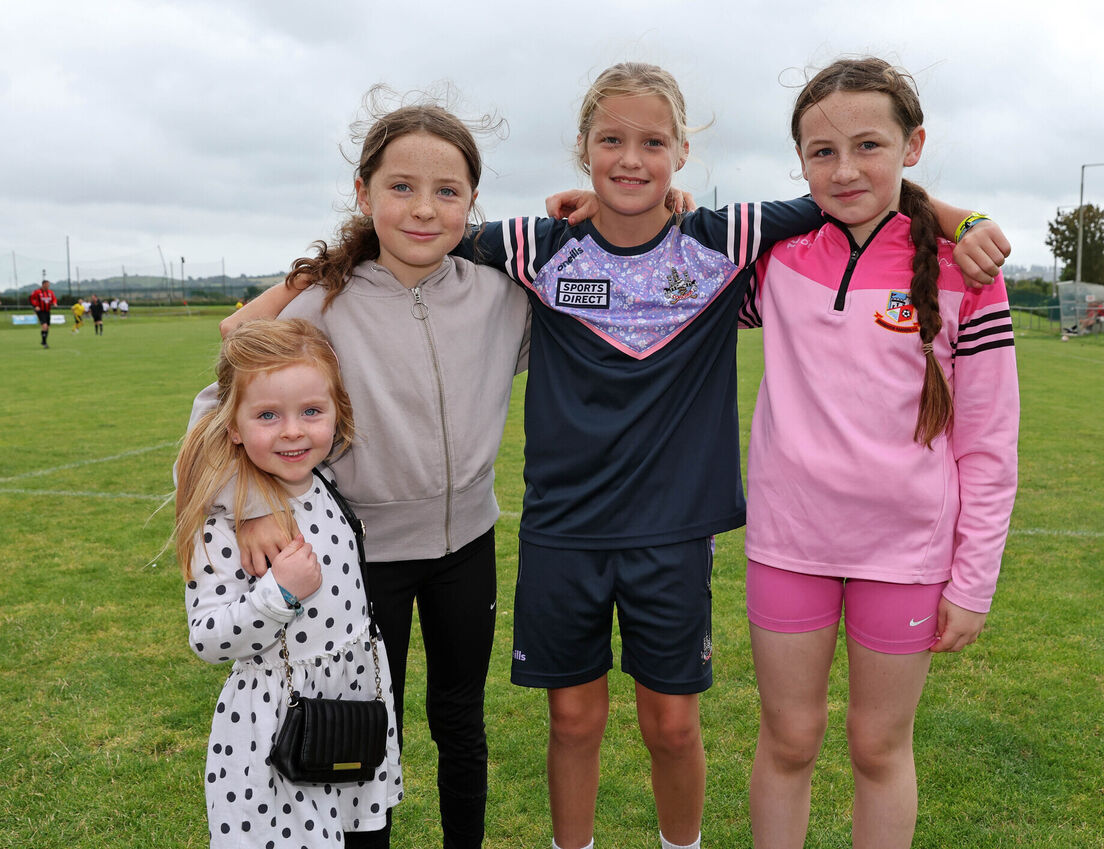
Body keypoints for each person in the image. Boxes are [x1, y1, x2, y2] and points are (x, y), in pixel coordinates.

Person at [463, 61, 1009, 849]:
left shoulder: (762, 248)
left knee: (856, 743)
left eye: (652, 141)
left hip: (842, 545)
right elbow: (433, 228)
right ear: (581, 147)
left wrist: (960, 219)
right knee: (754, 736)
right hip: (734, 539)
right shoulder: (570, 246)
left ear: (683, 150)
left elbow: (863, 199)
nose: (843, 166)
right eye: (610, 139)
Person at [204, 99, 531, 849]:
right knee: (363, 725)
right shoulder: (321, 303)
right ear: (363, 193)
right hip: (358, 560)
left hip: (466, 547)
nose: (424, 209)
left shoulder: (501, 294)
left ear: (472, 202)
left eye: (448, 191)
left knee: (460, 720)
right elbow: (217, 399)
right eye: (401, 187)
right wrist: (250, 499)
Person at [741, 57, 1019, 849]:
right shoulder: (775, 255)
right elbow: (663, 251)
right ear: (799, 162)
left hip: (906, 552)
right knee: (789, 739)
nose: (846, 169)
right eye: (822, 152)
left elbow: (990, 443)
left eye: (870, 145)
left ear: (913, 144)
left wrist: (974, 580)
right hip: (789, 541)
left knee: (877, 746)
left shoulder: (970, 273)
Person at [174, 317, 403, 848]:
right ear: (231, 425)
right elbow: (208, 638)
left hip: (353, 707)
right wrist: (277, 596)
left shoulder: (327, 481)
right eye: (268, 415)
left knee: (364, 836)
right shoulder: (225, 519)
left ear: (337, 414)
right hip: (275, 729)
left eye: (311, 412)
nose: (293, 431)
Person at [29, 279, 57, 347]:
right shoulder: (37, 292)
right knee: (44, 326)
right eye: (47, 284)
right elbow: (31, 299)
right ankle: (44, 343)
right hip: (40, 311)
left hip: (47, 311)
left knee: (47, 327)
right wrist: (35, 306)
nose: (48, 286)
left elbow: (54, 299)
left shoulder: (50, 292)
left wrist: (54, 303)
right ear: (43, 284)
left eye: (48, 285)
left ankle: (43, 341)